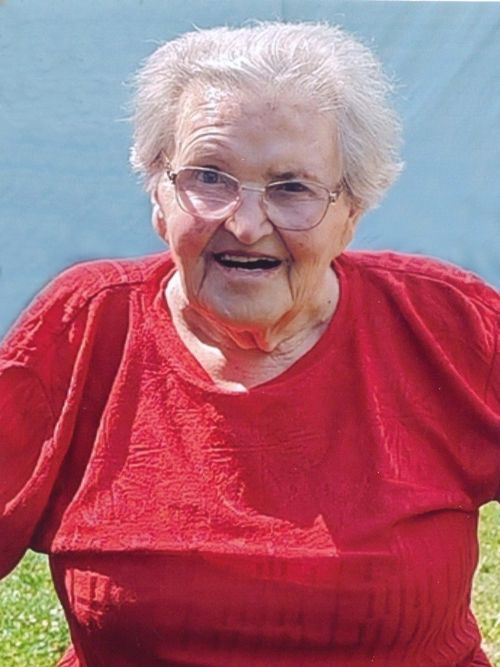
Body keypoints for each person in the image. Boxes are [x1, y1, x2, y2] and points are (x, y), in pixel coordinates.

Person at [0, 21, 498, 667]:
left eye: (292, 187)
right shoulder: (86, 323)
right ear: (159, 197)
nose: (244, 223)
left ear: (352, 212)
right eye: (209, 177)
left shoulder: (446, 322)